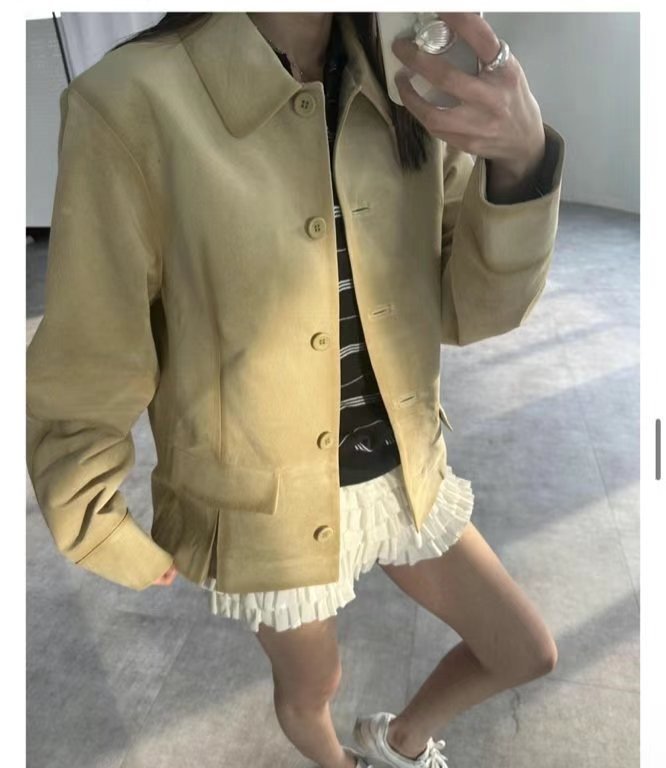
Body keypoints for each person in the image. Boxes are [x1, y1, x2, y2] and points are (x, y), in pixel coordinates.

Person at [26, 11, 565, 768]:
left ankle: (396, 746)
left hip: (405, 474)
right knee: (314, 688)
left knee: (524, 649)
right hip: (268, 505)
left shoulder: (408, 79)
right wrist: (88, 508)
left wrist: (521, 163)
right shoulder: (130, 100)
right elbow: (93, 340)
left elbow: (465, 307)